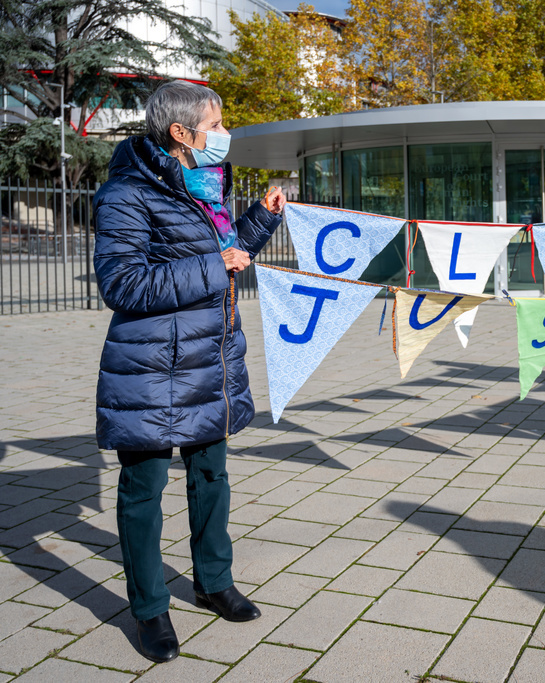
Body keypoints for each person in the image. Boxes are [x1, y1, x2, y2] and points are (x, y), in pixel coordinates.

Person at [92, 80, 286, 663]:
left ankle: (214, 582)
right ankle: (150, 610)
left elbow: (223, 256)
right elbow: (121, 284)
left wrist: (258, 220)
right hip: (151, 367)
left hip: (210, 358)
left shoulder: (207, 186)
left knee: (212, 479)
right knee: (143, 490)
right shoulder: (126, 194)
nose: (223, 135)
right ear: (182, 133)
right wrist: (213, 264)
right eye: (216, 125)